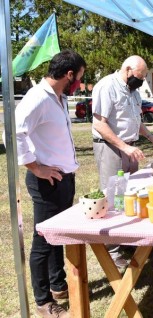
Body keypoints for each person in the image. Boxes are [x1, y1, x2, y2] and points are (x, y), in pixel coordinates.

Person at [13, 50, 86, 318]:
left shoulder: (59, 97)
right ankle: (44, 301)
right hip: (47, 183)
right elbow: (14, 131)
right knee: (43, 242)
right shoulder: (37, 98)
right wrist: (36, 167)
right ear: (69, 75)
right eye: (79, 77)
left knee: (59, 236)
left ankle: (58, 285)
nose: (79, 82)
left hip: (64, 179)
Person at [91, 55, 153, 268]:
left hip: (129, 147)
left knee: (130, 194)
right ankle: (113, 252)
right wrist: (124, 147)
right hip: (111, 148)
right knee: (112, 196)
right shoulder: (107, 86)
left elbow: (137, 122)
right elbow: (100, 124)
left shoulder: (134, 92)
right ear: (127, 70)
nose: (141, 81)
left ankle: (127, 239)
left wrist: (151, 137)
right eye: (139, 77)